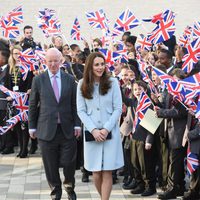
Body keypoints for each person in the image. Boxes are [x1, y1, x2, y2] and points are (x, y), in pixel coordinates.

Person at [28, 48, 81, 200]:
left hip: (67, 128)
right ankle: (55, 191)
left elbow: (74, 104)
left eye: (55, 61)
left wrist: (77, 125)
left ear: (61, 61)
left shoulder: (69, 79)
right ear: (45, 62)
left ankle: (69, 187)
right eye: (49, 61)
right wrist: (32, 126)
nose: (52, 64)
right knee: (50, 165)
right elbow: (33, 105)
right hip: (46, 129)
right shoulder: (38, 80)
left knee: (69, 162)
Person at [76, 52, 124, 200]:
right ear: (90, 66)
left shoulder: (113, 82)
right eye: (96, 64)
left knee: (107, 171)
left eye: (102, 64)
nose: (100, 67)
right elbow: (81, 111)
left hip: (110, 132)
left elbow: (118, 109)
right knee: (96, 173)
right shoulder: (82, 84)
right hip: (92, 134)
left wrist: (106, 128)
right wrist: (94, 130)